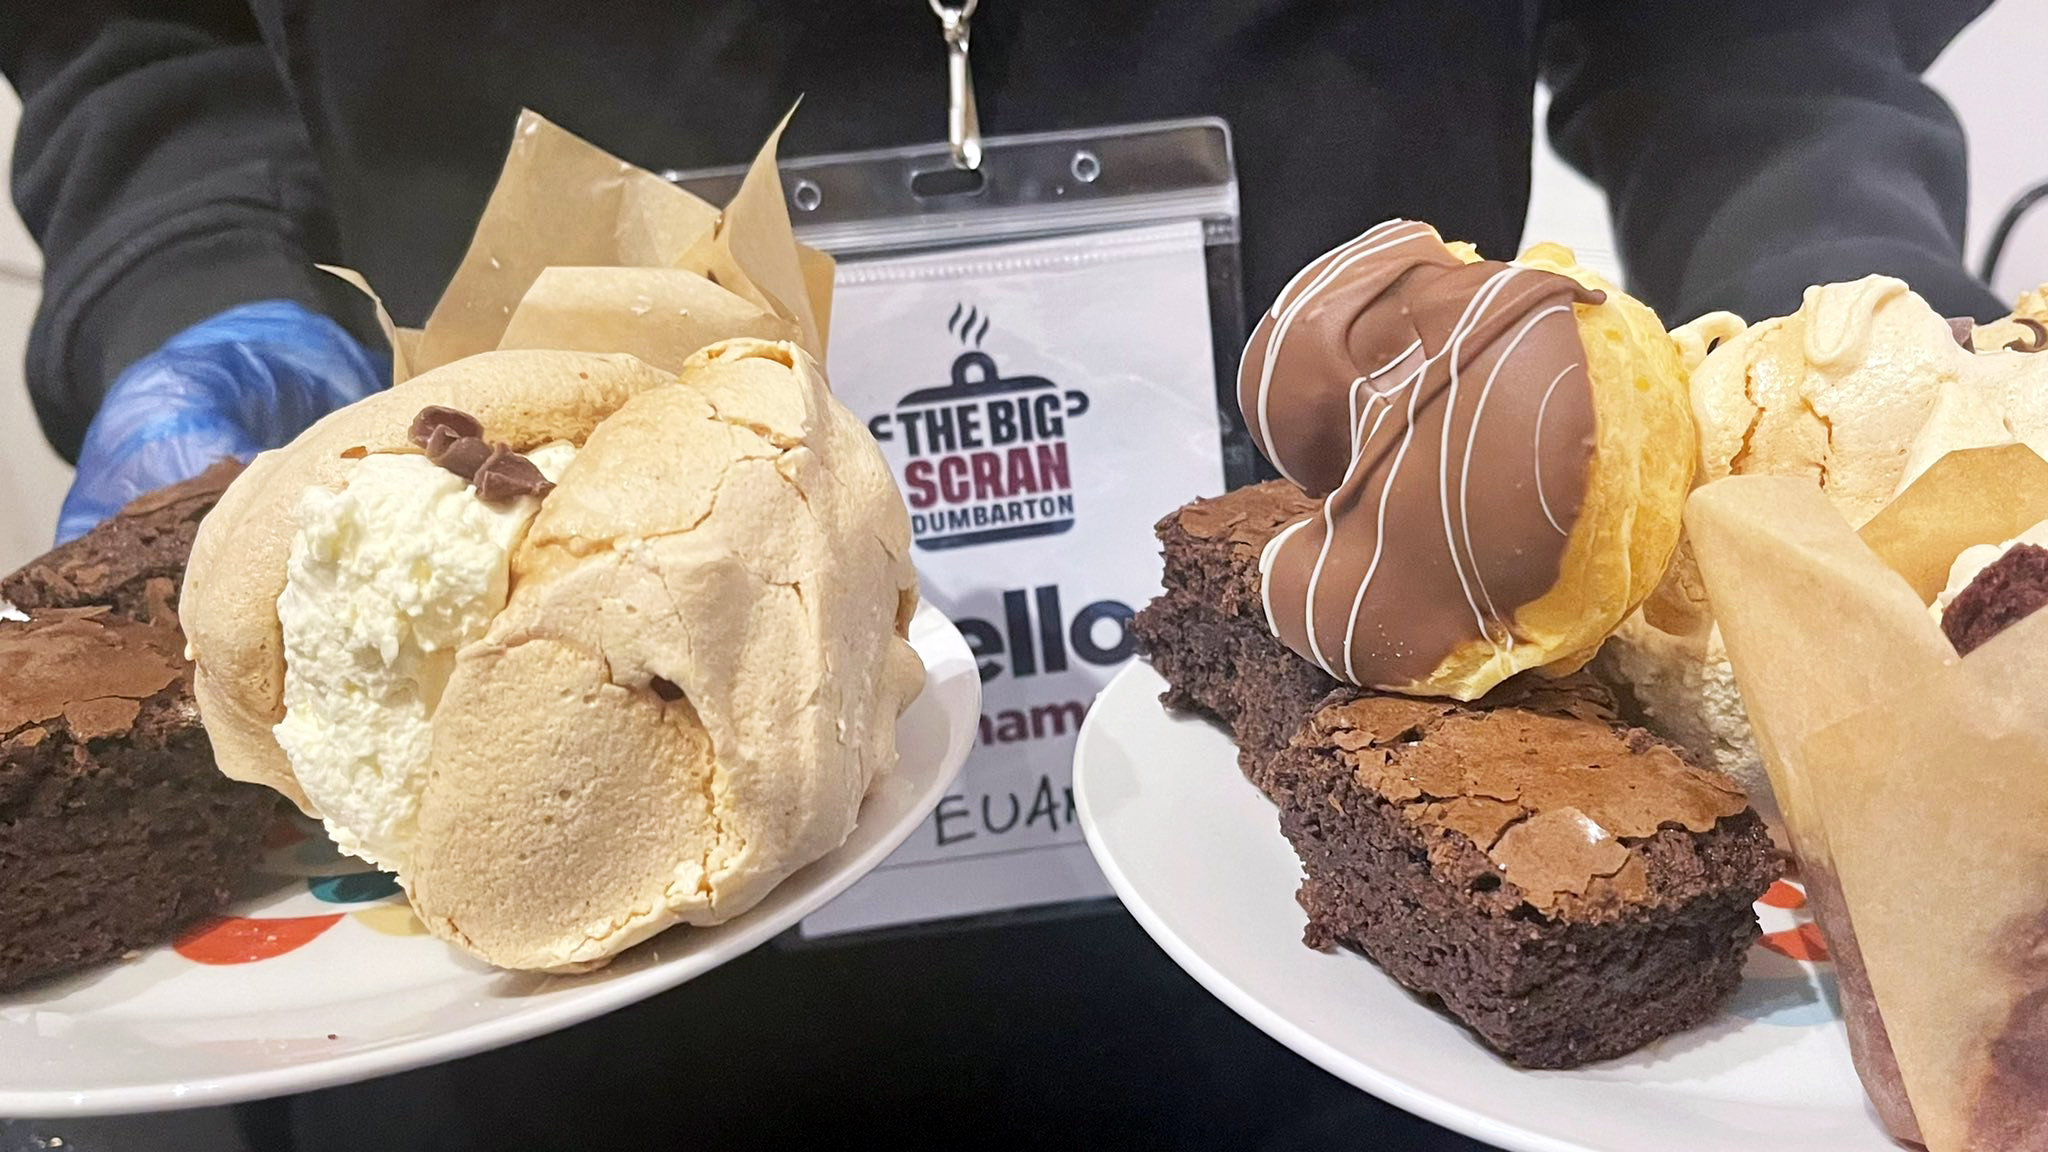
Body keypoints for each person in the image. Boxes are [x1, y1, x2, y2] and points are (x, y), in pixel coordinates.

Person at [0, 2, 2003, 1149]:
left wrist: (1874, 349)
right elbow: (142, 36)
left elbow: (1750, 32)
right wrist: (196, 275)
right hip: (501, 987)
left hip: (1336, 899)